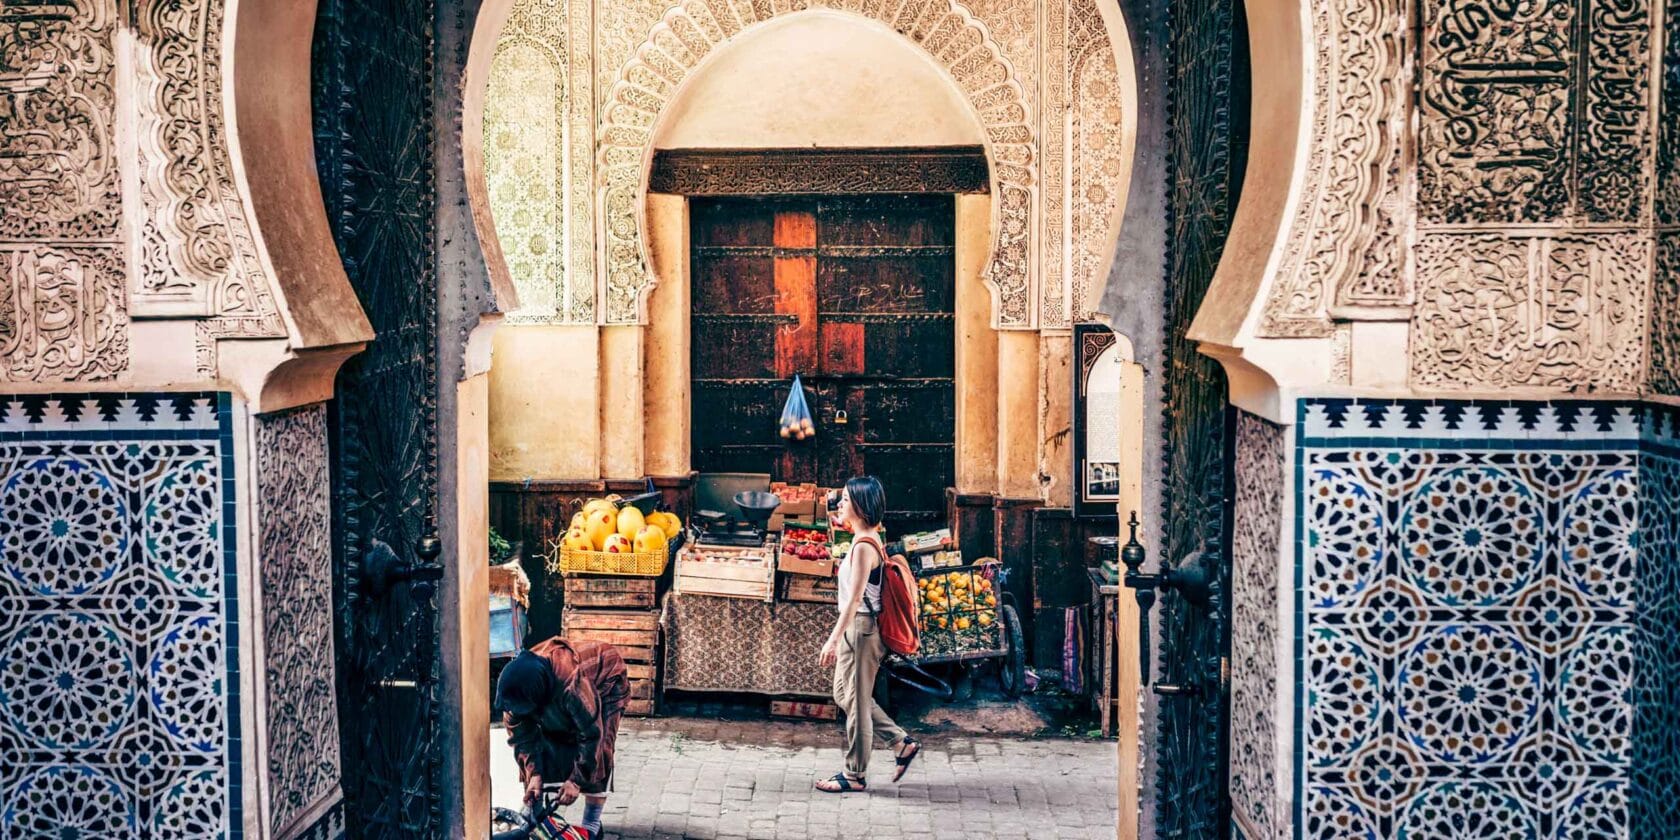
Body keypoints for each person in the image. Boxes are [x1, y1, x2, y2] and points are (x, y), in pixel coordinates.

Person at [814, 476, 922, 793]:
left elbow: (854, 600)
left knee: (858, 704)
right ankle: (901, 742)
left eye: (846, 500)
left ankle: (855, 774)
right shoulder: (867, 537)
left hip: (862, 629)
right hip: (855, 627)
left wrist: (832, 639)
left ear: (860, 506)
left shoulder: (863, 547)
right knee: (843, 694)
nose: (841, 504)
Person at [496, 637, 630, 838]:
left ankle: (591, 825)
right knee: (547, 740)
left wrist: (576, 781)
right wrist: (534, 775)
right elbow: (523, 740)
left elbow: (592, 735)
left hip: (606, 680)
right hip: (557, 694)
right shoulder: (516, 691)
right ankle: (534, 812)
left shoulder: (571, 685)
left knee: (601, 748)